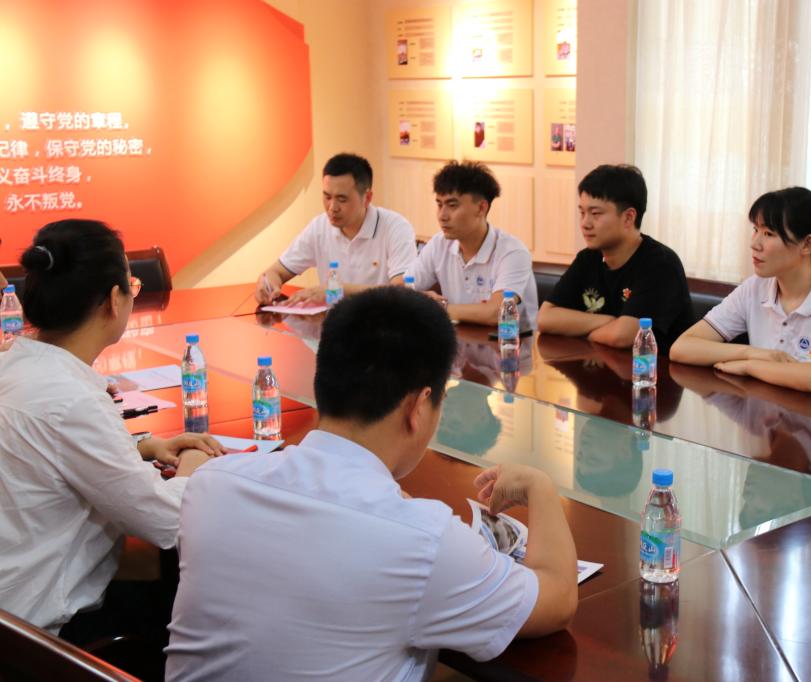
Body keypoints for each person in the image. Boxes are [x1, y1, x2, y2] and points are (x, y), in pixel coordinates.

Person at [165, 287, 577, 681]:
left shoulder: (211, 487)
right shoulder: (425, 542)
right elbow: (556, 601)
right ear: (418, 407)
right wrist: (541, 487)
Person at [0, 219, 223, 637]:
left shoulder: (12, 363)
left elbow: (46, 448)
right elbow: (167, 521)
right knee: (190, 591)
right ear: (113, 300)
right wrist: (195, 464)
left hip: (12, 599)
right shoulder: (72, 400)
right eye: (131, 286)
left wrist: (142, 445)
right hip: (35, 630)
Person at [670, 187, 811, 395]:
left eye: (768, 234)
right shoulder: (755, 288)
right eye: (755, 230)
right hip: (767, 406)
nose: (754, 244)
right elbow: (682, 348)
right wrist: (752, 353)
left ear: (807, 244)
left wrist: (749, 367)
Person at [537, 164, 695, 351]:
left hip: (651, 368)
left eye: (595, 214)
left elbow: (623, 336)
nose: (585, 223)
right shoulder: (588, 258)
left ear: (628, 217)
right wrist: (611, 321)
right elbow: (545, 318)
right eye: (582, 213)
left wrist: (581, 332)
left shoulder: (661, 264)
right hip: (600, 363)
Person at [256, 153, 418, 305]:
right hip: (334, 322)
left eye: (342, 199)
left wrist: (337, 290)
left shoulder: (396, 228)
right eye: (327, 197)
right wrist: (267, 284)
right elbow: (276, 271)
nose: (332, 208)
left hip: (381, 322)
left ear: (367, 198)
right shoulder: (319, 227)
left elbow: (402, 291)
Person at [406, 160, 539, 329]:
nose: (442, 216)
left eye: (452, 205)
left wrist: (436, 308)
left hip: (509, 343)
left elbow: (497, 312)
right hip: (457, 341)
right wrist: (418, 300)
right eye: (439, 204)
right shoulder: (438, 244)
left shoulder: (513, 252)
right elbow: (403, 293)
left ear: (481, 208)